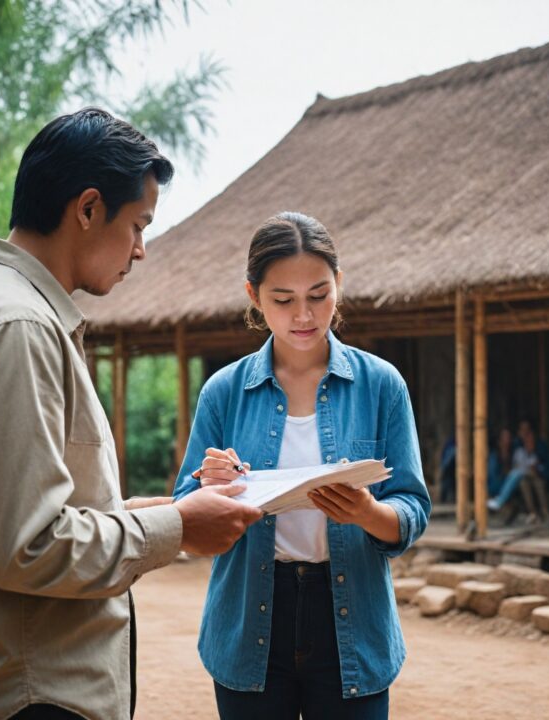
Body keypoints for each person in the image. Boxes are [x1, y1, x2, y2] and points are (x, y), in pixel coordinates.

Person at [0, 108, 262, 720]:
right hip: (31, 693)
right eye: (138, 225)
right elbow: (28, 547)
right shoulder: (18, 328)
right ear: (88, 209)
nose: (141, 250)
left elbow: (33, 510)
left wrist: (160, 511)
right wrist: (178, 529)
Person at [173, 212, 431, 719]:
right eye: (283, 300)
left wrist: (367, 513)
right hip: (248, 617)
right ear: (254, 296)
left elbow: (412, 508)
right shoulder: (224, 392)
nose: (304, 315)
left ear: (339, 284)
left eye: (318, 294)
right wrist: (212, 487)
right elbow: (185, 509)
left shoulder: (382, 385)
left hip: (353, 618)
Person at [487, 419, 549, 523]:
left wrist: (537, 470)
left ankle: (543, 512)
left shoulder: (537, 450)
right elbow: (493, 477)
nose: (507, 440)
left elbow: (547, 469)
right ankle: (529, 511)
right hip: (499, 483)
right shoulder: (505, 454)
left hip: (530, 478)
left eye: (508, 437)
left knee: (533, 481)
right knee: (518, 475)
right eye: (504, 437)